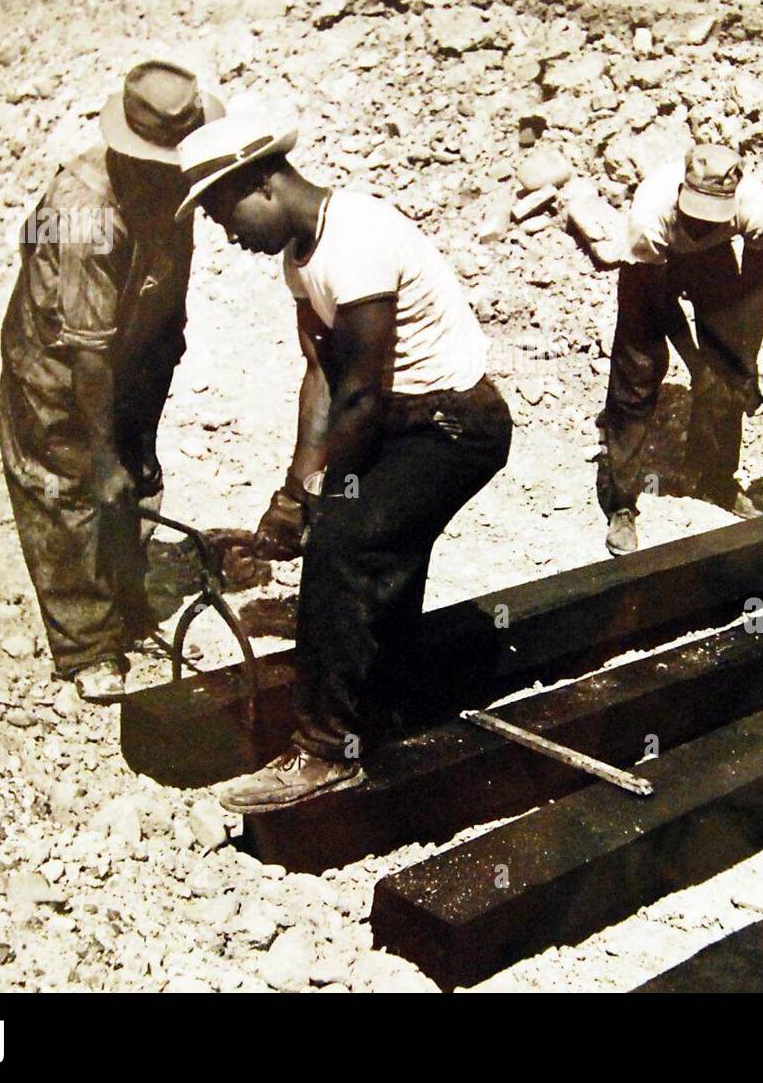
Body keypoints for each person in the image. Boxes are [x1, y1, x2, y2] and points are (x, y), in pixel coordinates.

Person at [174, 110, 513, 811]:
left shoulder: (356, 239)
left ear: (262, 183)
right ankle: (383, 708)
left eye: (222, 212)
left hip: (455, 425)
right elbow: (324, 376)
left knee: (347, 543)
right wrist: (292, 487)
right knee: (375, 547)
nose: (226, 234)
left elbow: (358, 397)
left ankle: (327, 753)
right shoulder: (303, 256)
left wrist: (317, 505)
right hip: (398, 415)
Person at [0, 61, 223, 701]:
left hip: (130, 349)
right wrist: (103, 458)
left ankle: (124, 603)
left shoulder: (171, 184)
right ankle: (86, 642)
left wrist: (143, 418)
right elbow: (87, 355)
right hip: (60, 361)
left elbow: (166, 293)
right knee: (66, 485)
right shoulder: (85, 209)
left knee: (133, 478)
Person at [597, 144, 763, 556]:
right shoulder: (651, 215)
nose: (701, 224)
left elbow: (752, 290)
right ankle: (622, 502)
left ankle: (715, 477)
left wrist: (743, 363)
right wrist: (695, 365)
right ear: (683, 190)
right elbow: (659, 300)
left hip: (712, 260)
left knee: (728, 368)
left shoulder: (758, 210)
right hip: (650, 271)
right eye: (696, 213)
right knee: (637, 375)